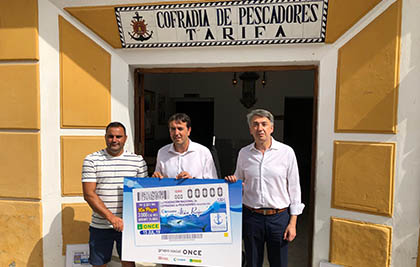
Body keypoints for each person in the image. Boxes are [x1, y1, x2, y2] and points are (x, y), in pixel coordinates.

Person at [225, 109, 305, 267]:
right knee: (253, 263)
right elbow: (239, 182)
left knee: (279, 263)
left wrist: (292, 223)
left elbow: (295, 189)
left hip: (279, 218)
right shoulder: (244, 153)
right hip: (252, 217)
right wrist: (233, 182)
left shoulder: (286, 152)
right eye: (255, 124)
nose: (259, 128)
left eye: (264, 124)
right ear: (250, 129)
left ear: (272, 128)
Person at [82, 122, 148, 267]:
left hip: (128, 225)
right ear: (105, 137)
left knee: (129, 264)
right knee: (98, 264)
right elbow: (89, 194)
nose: (114, 140)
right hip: (100, 225)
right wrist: (112, 218)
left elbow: (143, 194)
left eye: (118, 136)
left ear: (125, 138)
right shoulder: (91, 160)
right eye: (111, 136)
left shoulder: (137, 161)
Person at [152, 113, 218, 179]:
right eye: (173, 129)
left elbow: (212, 183)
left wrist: (191, 182)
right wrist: (155, 178)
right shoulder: (162, 152)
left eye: (180, 129)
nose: (176, 133)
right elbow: (158, 181)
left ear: (189, 131)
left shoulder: (203, 152)